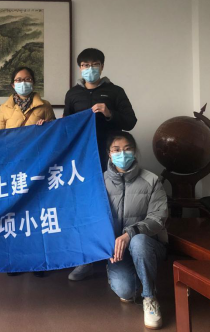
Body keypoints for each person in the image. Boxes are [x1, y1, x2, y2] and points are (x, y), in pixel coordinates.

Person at [64, 48, 137, 282]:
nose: (90, 69)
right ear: (80, 68)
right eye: (85, 65)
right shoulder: (73, 94)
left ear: (102, 66)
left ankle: (116, 257)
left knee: (112, 207)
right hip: (83, 160)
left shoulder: (115, 91)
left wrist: (108, 112)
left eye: (94, 64)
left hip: (111, 159)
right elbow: (66, 126)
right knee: (84, 207)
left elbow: (131, 121)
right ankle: (86, 259)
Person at [0, 66, 55, 277]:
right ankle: (15, 259)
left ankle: (39, 261)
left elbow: (54, 134)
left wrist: (45, 127)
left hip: (37, 164)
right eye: (19, 79)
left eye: (27, 79)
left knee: (37, 212)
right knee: (14, 212)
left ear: (33, 82)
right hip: (14, 166)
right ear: (13, 84)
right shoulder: (4, 108)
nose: (23, 83)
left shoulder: (45, 106)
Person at [104, 131, 167, 330]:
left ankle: (150, 298)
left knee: (138, 241)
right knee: (126, 292)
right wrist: (107, 243)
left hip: (149, 244)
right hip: (117, 251)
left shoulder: (151, 180)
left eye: (127, 149)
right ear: (109, 153)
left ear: (135, 151)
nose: (122, 154)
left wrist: (129, 233)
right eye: (116, 150)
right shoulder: (100, 182)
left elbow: (158, 218)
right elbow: (93, 218)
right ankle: (131, 278)